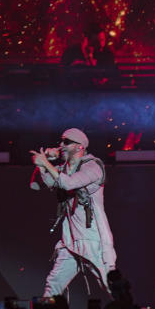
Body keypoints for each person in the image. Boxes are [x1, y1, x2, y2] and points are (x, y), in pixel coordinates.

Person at [29, 128, 116, 298]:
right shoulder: (63, 168)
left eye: (66, 142)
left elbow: (68, 184)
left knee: (109, 284)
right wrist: (43, 162)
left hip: (93, 239)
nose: (61, 146)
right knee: (53, 283)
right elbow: (37, 184)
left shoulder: (93, 166)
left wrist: (46, 164)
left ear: (79, 147)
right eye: (60, 141)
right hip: (70, 240)